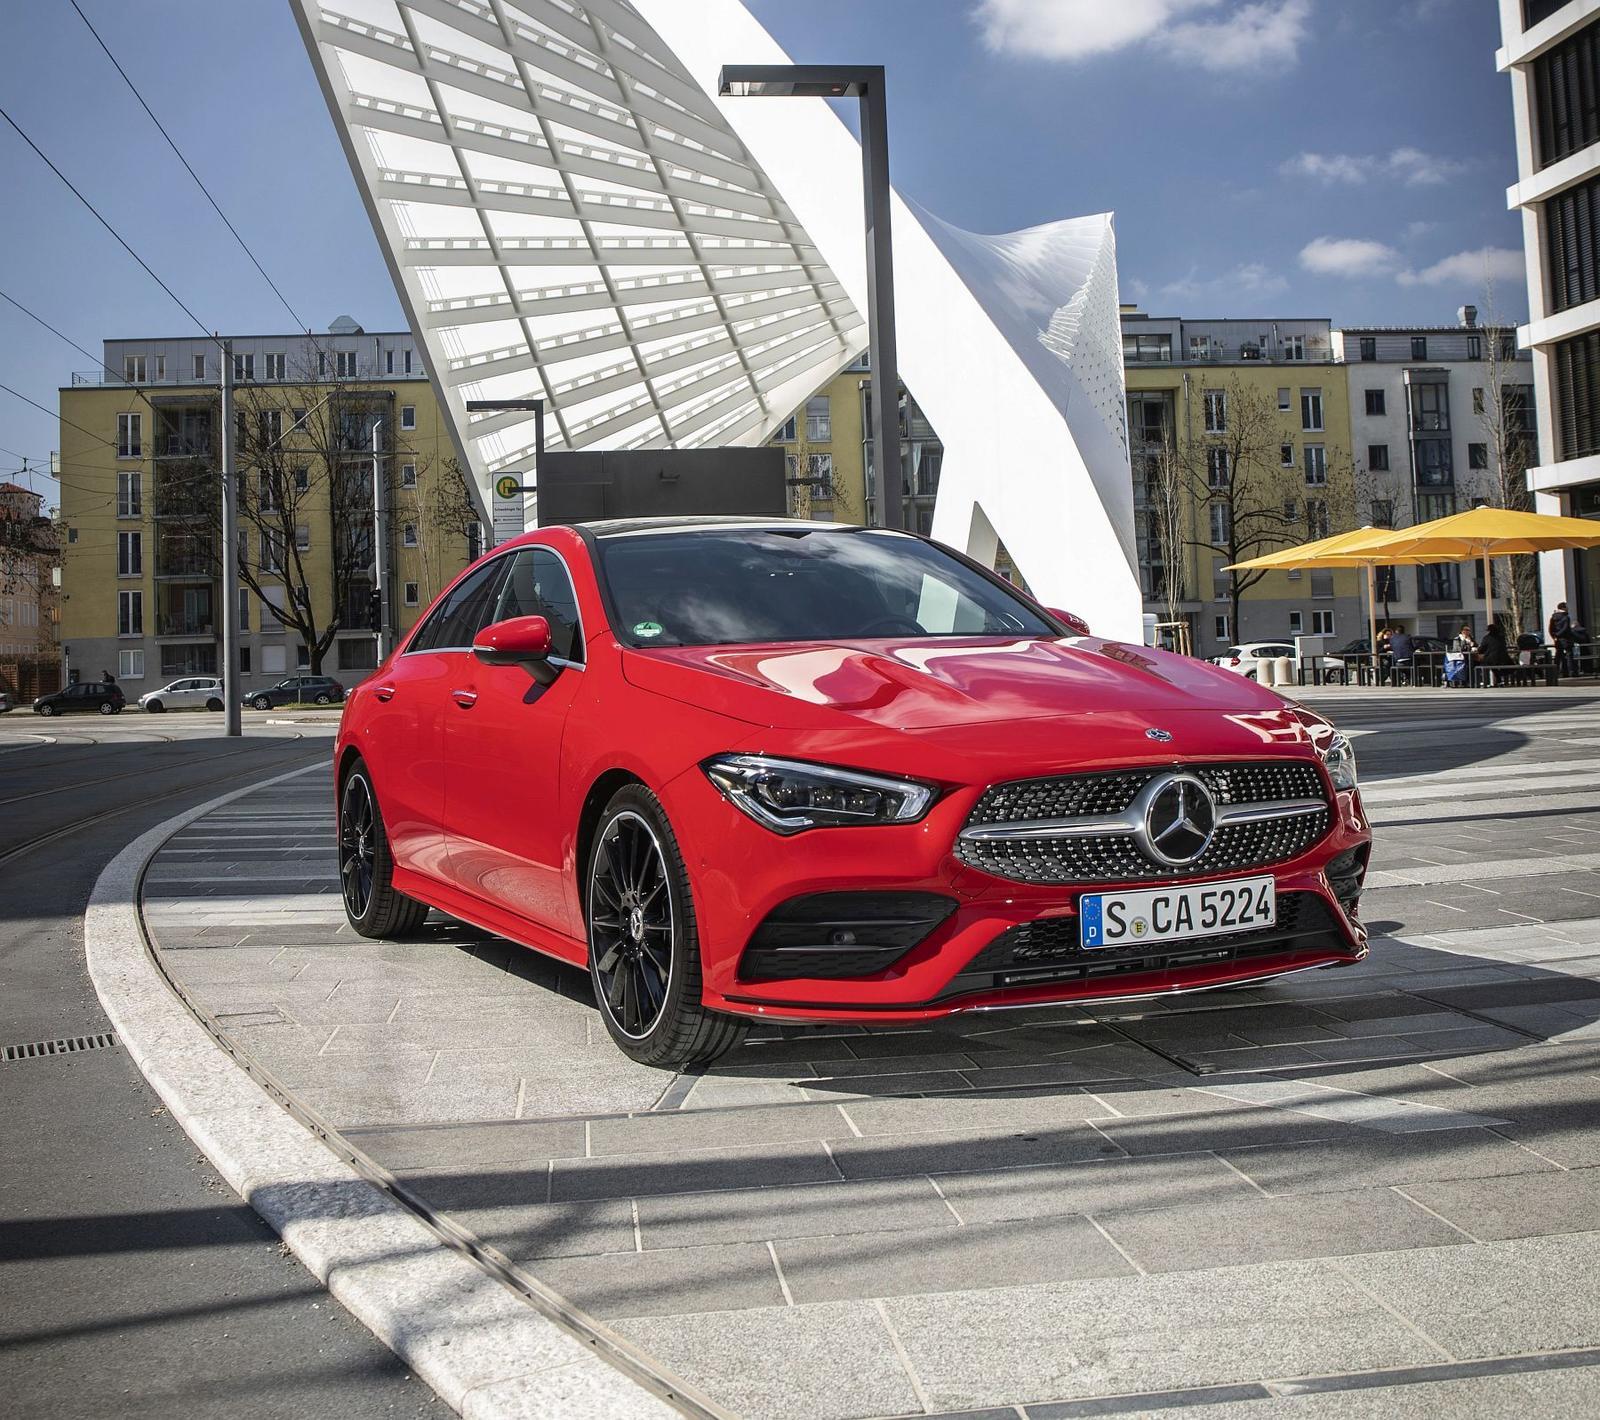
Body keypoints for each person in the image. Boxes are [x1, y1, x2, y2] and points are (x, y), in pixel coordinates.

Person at [1477, 620, 1512, 685]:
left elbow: (1481, 649)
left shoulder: (1487, 638)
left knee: (1484, 663)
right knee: (1497, 665)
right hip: (1504, 658)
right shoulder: (1502, 637)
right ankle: (1501, 681)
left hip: (1491, 659)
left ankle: (1485, 681)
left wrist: (1478, 649)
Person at [1550, 601, 1578, 677]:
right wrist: (1560, 634)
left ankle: (1555, 672)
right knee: (1569, 655)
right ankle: (1571, 671)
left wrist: (1555, 636)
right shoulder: (1566, 617)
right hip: (1566, 638)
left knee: (1558, 656)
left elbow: (1551, 628)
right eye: (1566, 607)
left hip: (1558, 640)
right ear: (1563, 608)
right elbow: (1565, 628)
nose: (1567, 609)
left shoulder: (1553, 617)